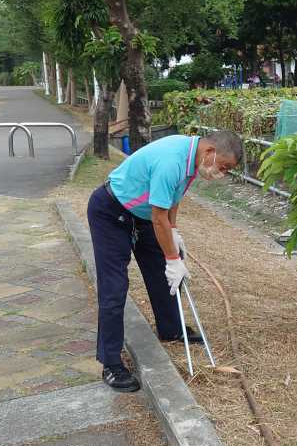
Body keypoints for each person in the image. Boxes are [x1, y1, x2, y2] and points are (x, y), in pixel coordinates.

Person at [87, 131, 244, 392]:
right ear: (210, 152)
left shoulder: (193, 160)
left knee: (164, 271)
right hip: (111, 213)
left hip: (143, 216)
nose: (222, 173)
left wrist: (173, 231)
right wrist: (172, 257)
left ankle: (171, 328)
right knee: (114, 288)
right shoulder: (172, 161)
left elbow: (173, 199)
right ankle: (111, 363)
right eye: (224, 167)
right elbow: (158, 215)